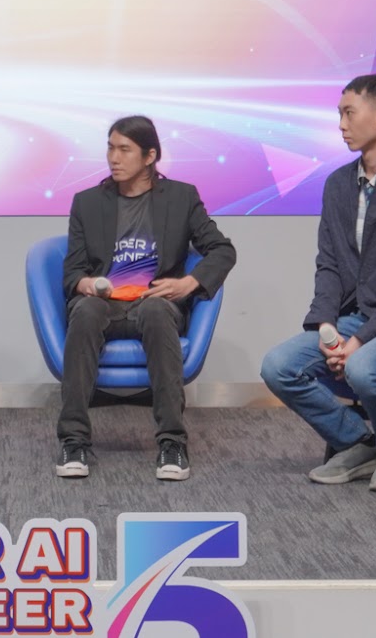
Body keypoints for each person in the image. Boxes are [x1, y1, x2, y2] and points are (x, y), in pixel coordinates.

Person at [260, 74, 376, 495]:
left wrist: (359, 340)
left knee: (363, 367)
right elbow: (329, 265)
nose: (341, 125)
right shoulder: (337, 185)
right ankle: (360, 443)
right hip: (355, 318)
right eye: (339, 114)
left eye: (349, 113)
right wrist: (327, 325)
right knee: (278, 366)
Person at [54, 115, 235, 482]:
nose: (113, 158)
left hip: (154, 299)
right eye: (110, 148)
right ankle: (74, 441)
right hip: (104, 301)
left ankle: (172, 443)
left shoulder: (181, 197)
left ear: (150, 156)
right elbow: (72, 272)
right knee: (85, 312)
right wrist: (88, 284)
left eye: (124, 149)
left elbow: (222, 250)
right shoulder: (87, 203)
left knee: (156, 310)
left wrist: (188, 283)